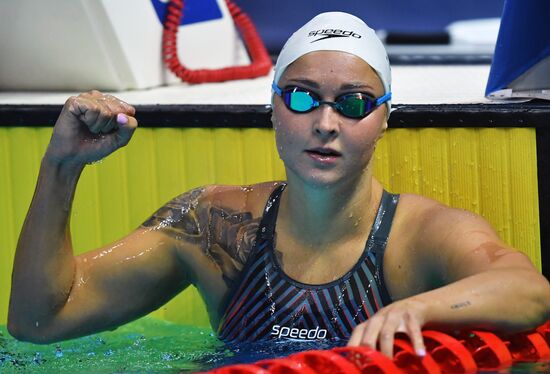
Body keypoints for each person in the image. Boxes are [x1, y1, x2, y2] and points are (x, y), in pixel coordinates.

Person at [8, 12, 550, 358]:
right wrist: (61, 167)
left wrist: (416, 309)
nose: (326, 122)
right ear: (273, 108)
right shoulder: (214, 229)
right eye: (301, 96)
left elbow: (530, 291)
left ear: (386, 118)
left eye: (356, 103)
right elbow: (39, 320)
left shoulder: (419, 237)